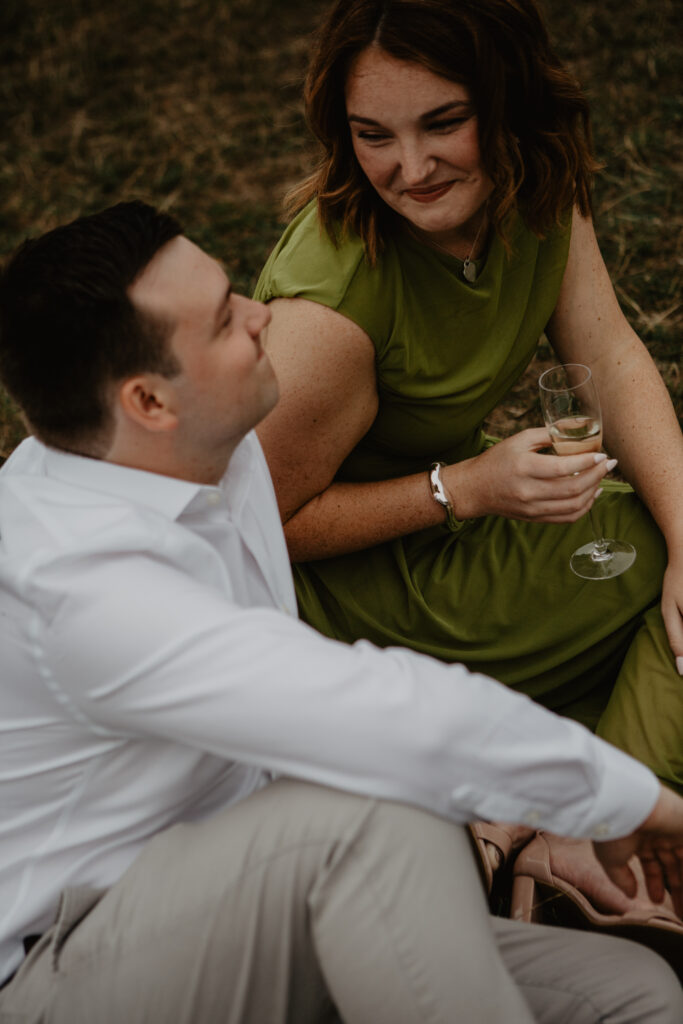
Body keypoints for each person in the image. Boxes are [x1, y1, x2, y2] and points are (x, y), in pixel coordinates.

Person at [0, 202, 682, 1023]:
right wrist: (630, 801)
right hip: (64, 967)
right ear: (148, 402)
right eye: (224, 320)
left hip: (252, 895)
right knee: (368, 814)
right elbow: (380, 712)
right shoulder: (70, 581)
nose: (262, 316)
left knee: (635, 995)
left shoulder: (212, 452)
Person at [253, 0, 683, 838]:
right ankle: (598, 834)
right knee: (636, 561)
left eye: (442, 122)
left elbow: (614, 354)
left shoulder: (535, 184)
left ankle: (560, 817)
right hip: (349, 593)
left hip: (446, 529)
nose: (410, 168)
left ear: (509, 100)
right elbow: (258, 520)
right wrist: (461, 489)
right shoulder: (331, 313)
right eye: (372, 134)